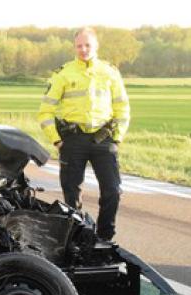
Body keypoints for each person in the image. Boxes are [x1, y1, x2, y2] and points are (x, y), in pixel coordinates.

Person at [37, 27, 130, 240]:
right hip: (72, 140)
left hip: (104, 139)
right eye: (79, 45)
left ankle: (105, 236)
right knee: (72, 195)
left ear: (96, 46)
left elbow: (122, 107)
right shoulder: (63, 73)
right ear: (74, 47)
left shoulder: (110, 72)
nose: (83, 49)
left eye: (87, 45)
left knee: (113, 191)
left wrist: (118, 138)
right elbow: (45, 111)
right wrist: (57, 140)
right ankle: (78, 239)